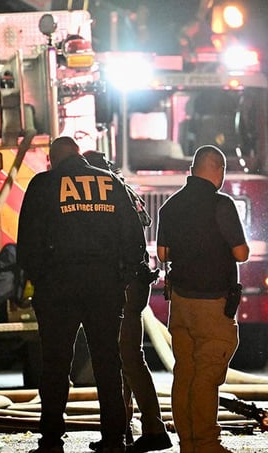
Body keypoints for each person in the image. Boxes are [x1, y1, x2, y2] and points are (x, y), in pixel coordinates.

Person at [18, 138, 146, 453]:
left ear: (53, 160)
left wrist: (40, 279)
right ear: (78, 155)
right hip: (105, 287)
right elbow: (134, 239)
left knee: (56, 364)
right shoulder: (111, 182)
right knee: (107, 362)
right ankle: (114, 439)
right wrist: (122, 278)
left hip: (58, 287)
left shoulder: (45, 184)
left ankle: (51, 440)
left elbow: (28, 242)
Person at [156, 145, 249, 453]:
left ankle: (187, 442)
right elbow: (241, 253)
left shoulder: (170, 206)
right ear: (218, 170)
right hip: (213, 303)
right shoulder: (221, 205)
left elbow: (162, 254)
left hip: (180, 303)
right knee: (208, 374)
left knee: (184, 371)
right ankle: (207, 443)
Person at [82, 151, 172, 453]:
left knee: (129, 358)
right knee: (121, 359)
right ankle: (122, 430)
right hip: (132, 283)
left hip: (123, 285)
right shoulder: (121, 188)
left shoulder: (107, 191)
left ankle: (153, 428)